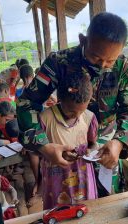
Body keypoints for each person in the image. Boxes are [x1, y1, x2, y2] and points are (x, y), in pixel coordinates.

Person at [17, 12, 128, 193]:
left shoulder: (123, 67)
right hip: (65, 148)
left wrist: (119, 142)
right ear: (83, 40)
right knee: (70, 201)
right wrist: (43, 145)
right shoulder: (59, 63)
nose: (102, 66)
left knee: (108, 198)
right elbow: (26, 103)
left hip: (106, 147)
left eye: (110, 61)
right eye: (96, 58)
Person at [39, 71, 98, 209]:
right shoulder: (45, 118)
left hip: (83, 176)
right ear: (60, 99)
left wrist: (92, 151)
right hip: (56, 177)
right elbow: (37, 149)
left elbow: (93, 143)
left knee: (85, 209)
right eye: (71, 111)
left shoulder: (89, 117)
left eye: (81, 111)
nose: (77, 115)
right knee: (58, 211)